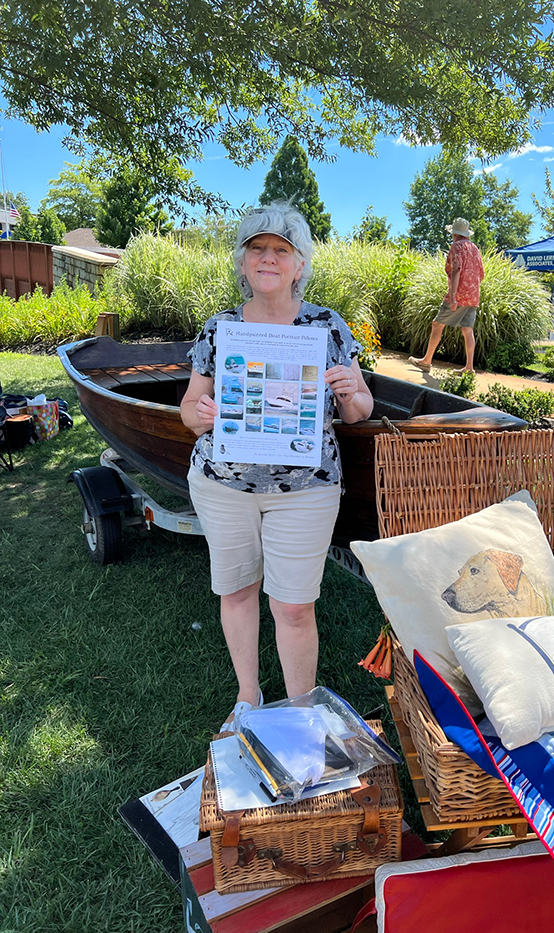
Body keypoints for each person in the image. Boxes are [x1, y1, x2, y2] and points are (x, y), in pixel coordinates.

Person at [180, 202, 374, 716]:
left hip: (305, 488)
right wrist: (201, 412)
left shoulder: (326, 327)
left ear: (300, 264)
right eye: (257, 248)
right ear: (242, 263)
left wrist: (354, 390)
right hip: (224, 484)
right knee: (238, 591)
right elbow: (188, 411)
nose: (269, 258)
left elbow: (358, 412)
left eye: (282, 250)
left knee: (292, 604)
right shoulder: (219, 329)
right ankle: (248, 694)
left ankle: (299, 708)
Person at [409, 217, 485, 373]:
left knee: (437, 324)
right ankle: (469, 367)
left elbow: (456, 270)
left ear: (455, 234)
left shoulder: (456, 247)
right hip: (473, 296)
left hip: (460, 295)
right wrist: (472, 289)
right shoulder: (474, 248)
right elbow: (481, 274)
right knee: (467, 329)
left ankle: (426, 361)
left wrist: (453, 296)